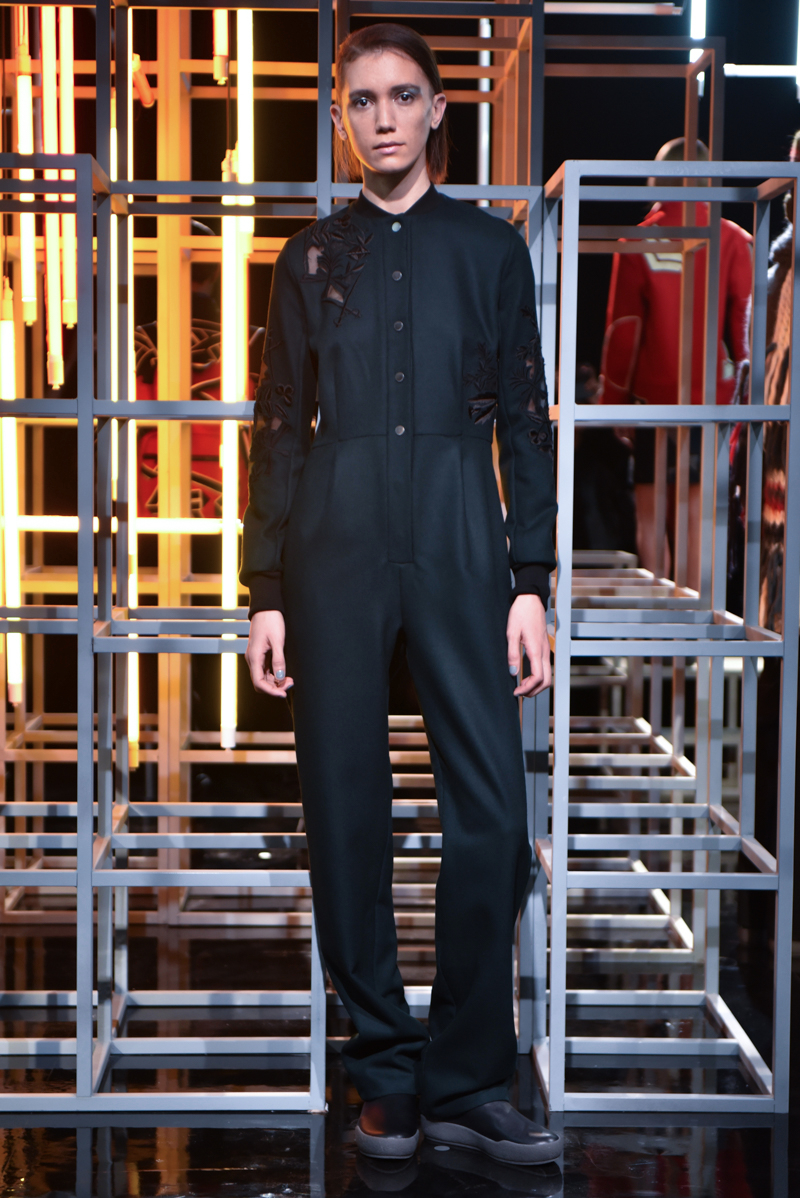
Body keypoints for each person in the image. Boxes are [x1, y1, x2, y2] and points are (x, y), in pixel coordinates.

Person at [241, 22, 561, 1167]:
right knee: (345, 807)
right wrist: (263, 587)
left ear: (436, 109)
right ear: (341, 115)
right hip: (330, 541)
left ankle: (467, 1071)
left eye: (402, 96)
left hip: (456, 529)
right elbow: (280, 424)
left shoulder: (487, 248)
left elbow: (523, 417)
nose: (382, 118)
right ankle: (383, 1069)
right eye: (362, 100)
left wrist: (529, 578)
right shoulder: (306, 258)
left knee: (490, 815)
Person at [601, 138, 752, 590]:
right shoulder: (734, 239)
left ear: (657, 178)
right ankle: (694, 629)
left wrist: (613, 403)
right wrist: (749, 407)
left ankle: (657, 628)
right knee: (699, 522)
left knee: (651, 521)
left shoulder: (636, 240)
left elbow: (624, 330)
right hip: (714, 405)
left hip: (653, 403)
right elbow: (745, 335)